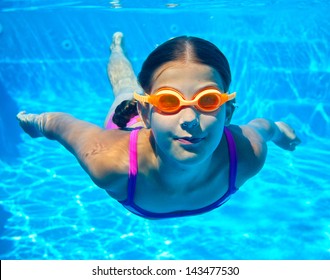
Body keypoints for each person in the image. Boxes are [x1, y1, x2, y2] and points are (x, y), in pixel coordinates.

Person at [17, 32, 301, 219]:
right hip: (125, 125)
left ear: (228, 112)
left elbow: (263, 127)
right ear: (146, 111)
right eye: (168, 101)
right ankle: (117, 50)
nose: (190, 120)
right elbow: (62, 125)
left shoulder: (247, 154)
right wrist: (36, 123)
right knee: (125, 88)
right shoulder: (110, 162)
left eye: (208, 100)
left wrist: (279, 130)